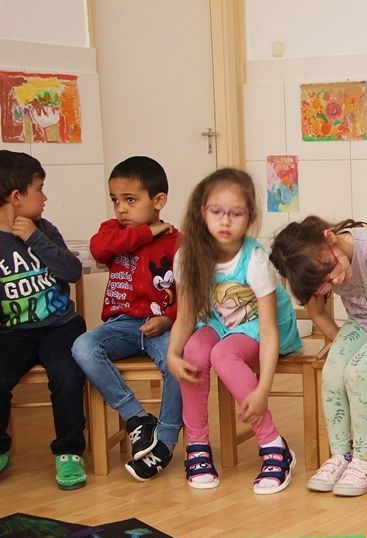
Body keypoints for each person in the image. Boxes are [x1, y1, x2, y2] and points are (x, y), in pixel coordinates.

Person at [270, 216, 367, 496]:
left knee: (357, 372)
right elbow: (317, 313)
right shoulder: (314, 266)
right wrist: (343, 346)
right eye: (324, 283)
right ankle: (340, 455)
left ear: (329, 239)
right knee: (333, 371)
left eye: (329, 273)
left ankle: (366, 461)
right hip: (361, 323)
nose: (332, 282)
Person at [166, 168, 301, 495]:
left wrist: (263, 389)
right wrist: (172, 354)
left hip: (264, 328)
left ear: (250, 217)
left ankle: (273, 444)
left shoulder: (254, 260)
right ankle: (197, 445)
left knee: (223, 354)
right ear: (203, 212)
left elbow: (269, 329)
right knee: (195, 351)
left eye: (236, 214)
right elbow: (186, 316)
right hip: (219, 323)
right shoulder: (187, 256)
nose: (225, 222)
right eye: (216, 212)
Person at [72, 156, 180, 482]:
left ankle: (166, 439)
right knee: (82, 347)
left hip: (162, 325)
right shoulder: (113, 232)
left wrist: (169, 319)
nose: (121, 209)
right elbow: (98, 249)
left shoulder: (178, 242)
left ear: (158, 200)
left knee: (179, 361)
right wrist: (146, 232)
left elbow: (192, 293)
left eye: (130, 200)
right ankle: (137, 418)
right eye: (115, 200)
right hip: (121, 325)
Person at [0, 150, 87, 490]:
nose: (45, 197)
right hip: (11, 333)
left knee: (66, 374)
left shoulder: (45, 230)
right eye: (39, 189)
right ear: (16, 197)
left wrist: (34, 239)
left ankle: (69, 451)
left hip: (59, 326)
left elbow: (72, 271)